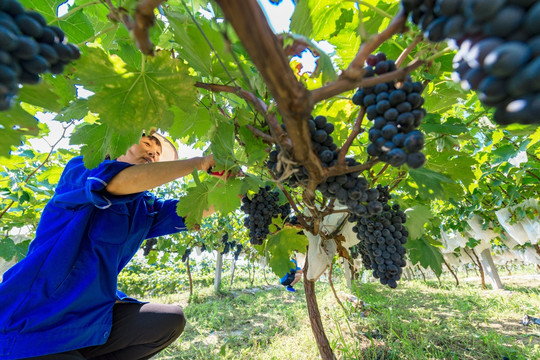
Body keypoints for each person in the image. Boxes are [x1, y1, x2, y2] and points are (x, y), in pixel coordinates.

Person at [0, 131, 216, 360]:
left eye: (157, 153)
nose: (153, 153)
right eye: (146, 144)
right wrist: (199, 163)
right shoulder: (82, 169)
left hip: (90, 319)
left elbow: (190, 211)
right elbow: (115, 181)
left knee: (169, 320)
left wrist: (236, 188)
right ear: (116, 143)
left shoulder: (145, 208)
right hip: (34, 322)